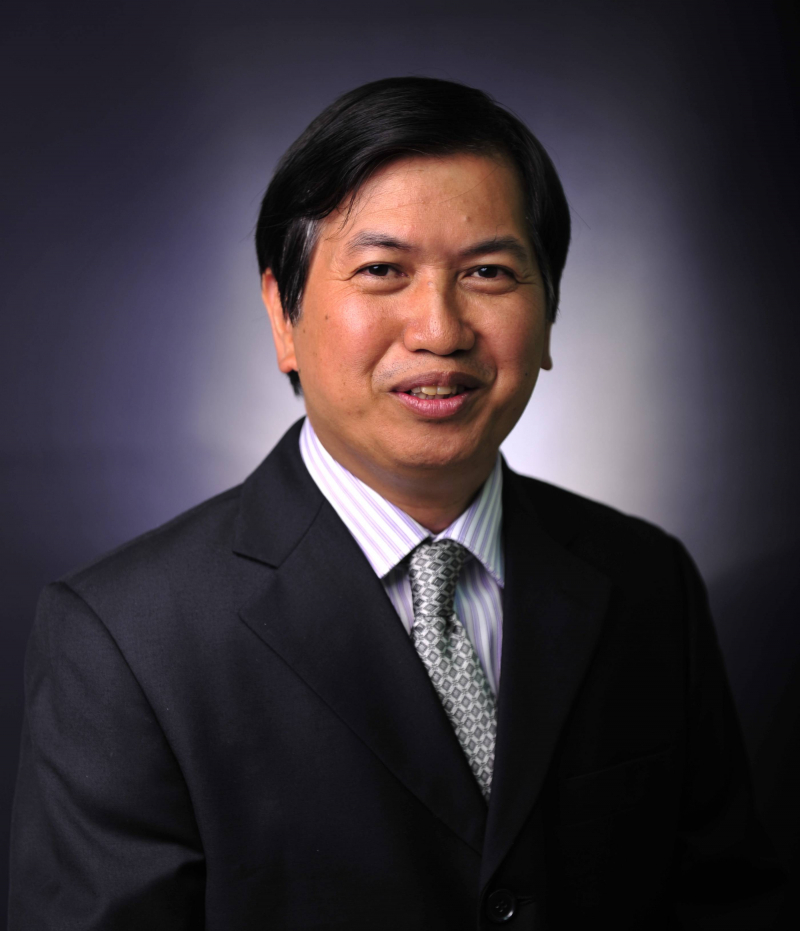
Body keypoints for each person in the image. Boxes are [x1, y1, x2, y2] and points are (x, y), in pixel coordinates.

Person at [8, 77, 787, 930]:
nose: (440, 330)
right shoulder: (123, 639)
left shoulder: (647, 580)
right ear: (283, 315)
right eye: (383, 271)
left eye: (488, 272)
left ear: (550, 310)